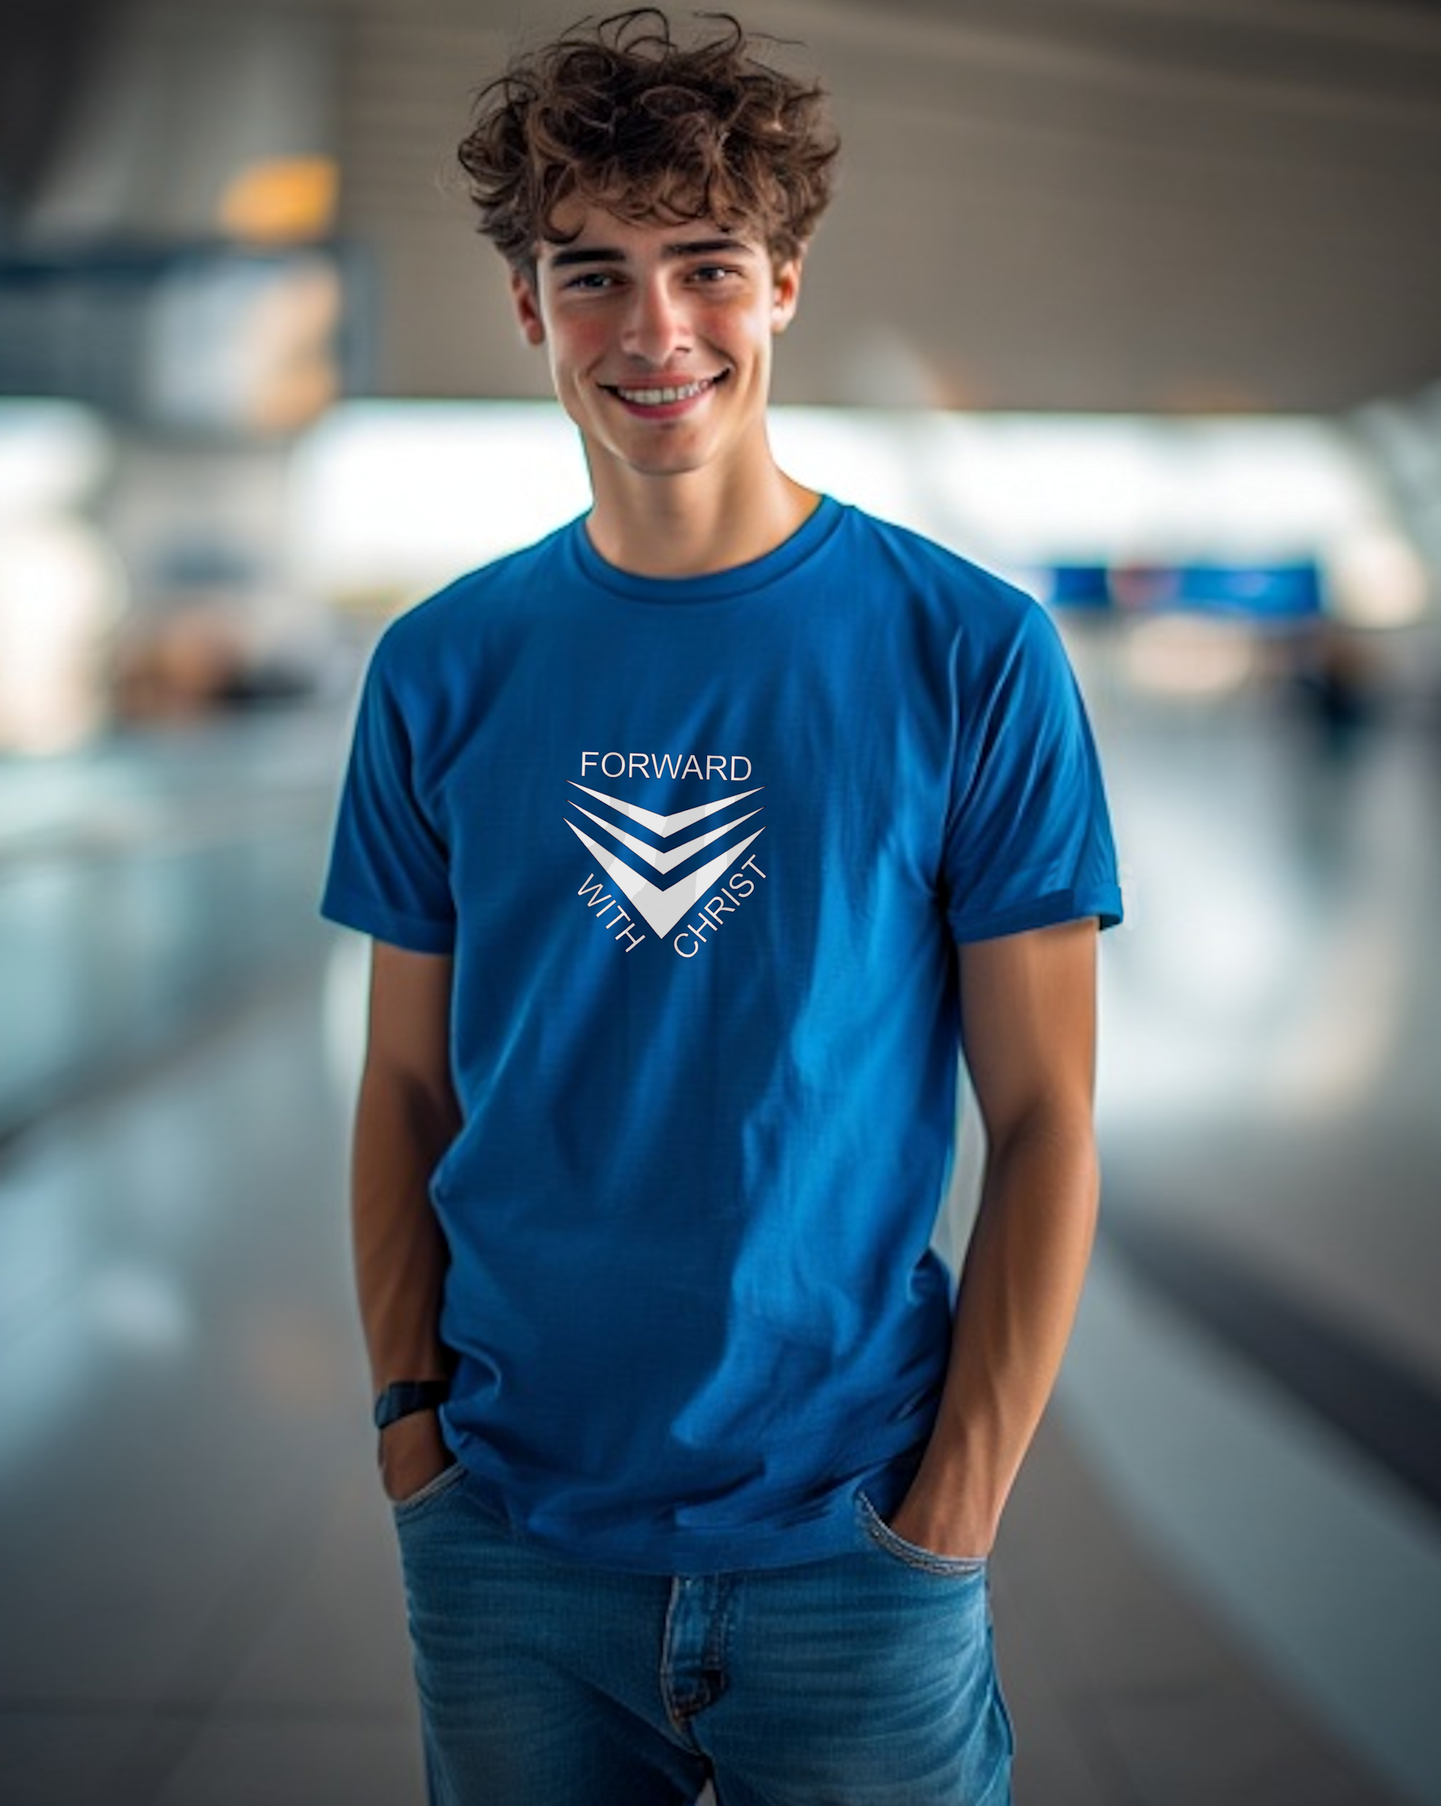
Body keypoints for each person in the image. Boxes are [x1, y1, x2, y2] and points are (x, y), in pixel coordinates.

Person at [321, 10, 1123, 1803]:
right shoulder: (442, 667)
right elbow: (402, 1085)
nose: (654, 329)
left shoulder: (968, 652)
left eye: (706, 267)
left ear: (784, 285)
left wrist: (952, 1507)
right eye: (591, 273)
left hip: (853, 1538)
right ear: (529, 308)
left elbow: (1049, 1112)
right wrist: (410, 1437)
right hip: (510, 1534)